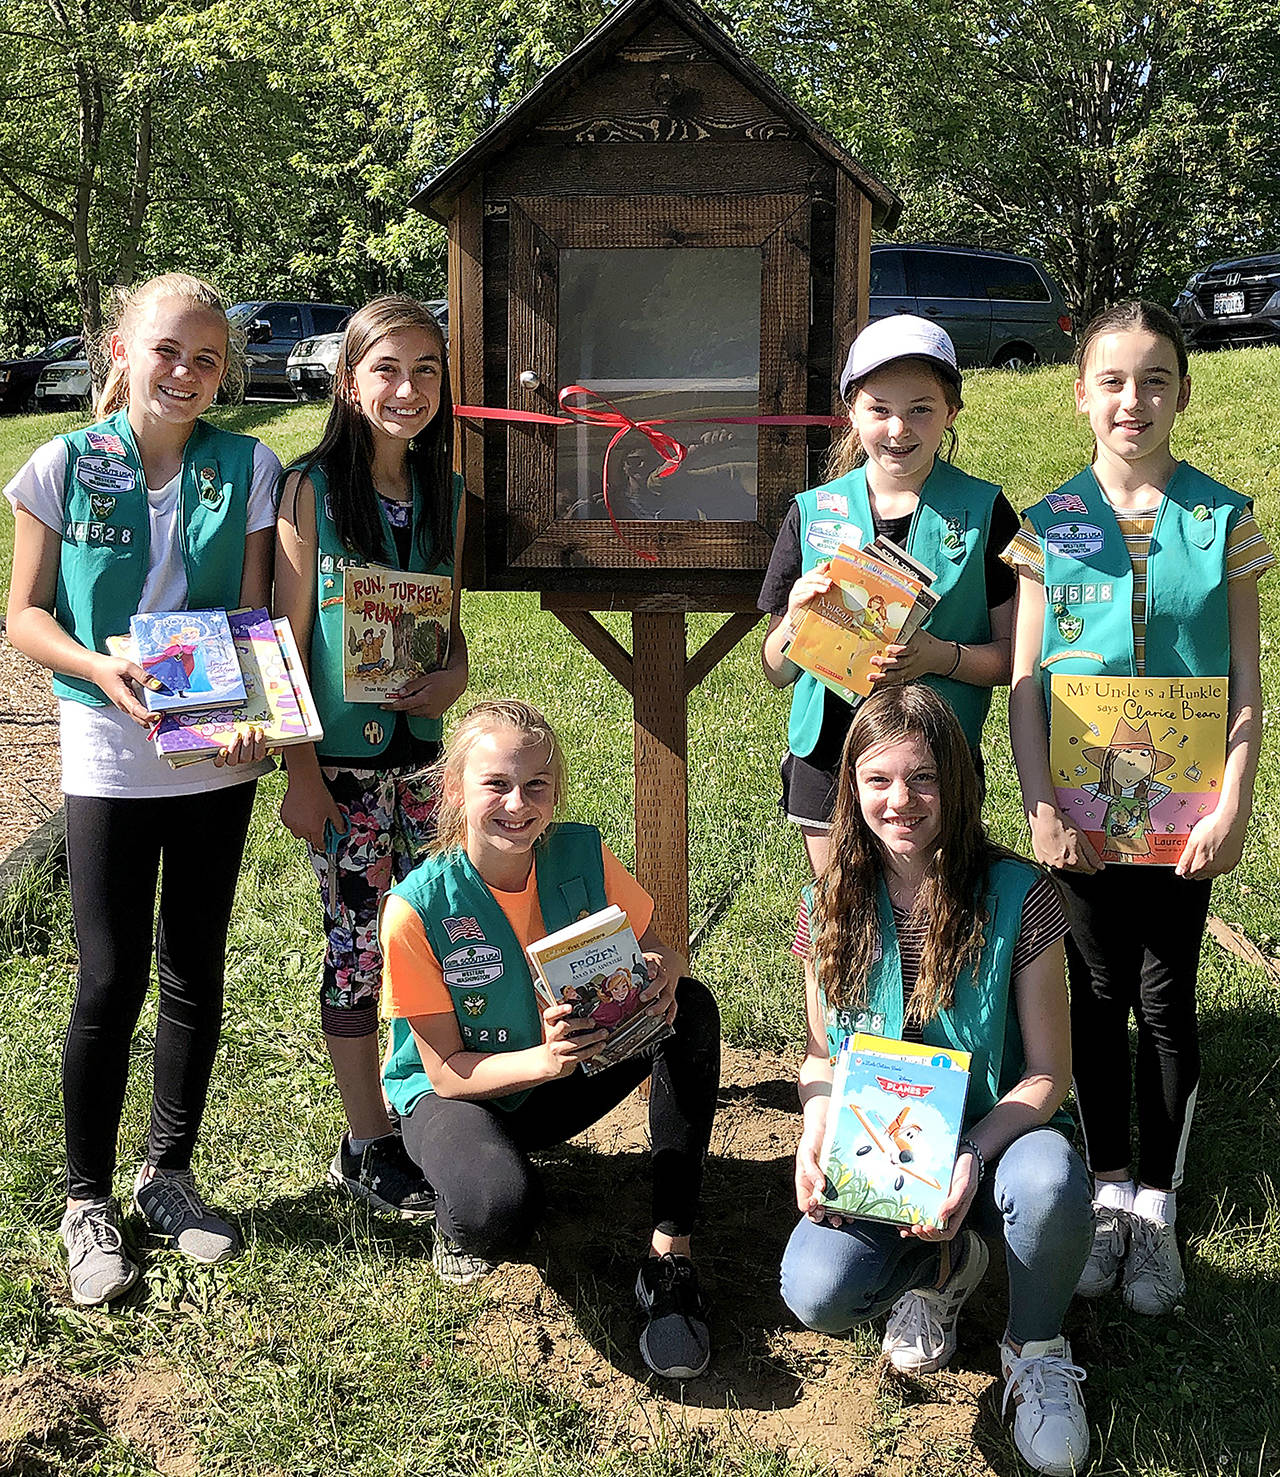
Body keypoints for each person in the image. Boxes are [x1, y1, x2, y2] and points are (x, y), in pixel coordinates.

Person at [5, 272, 280, 1305]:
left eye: (208, 359)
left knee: (194, 966)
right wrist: (98, 669)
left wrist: (263, 711)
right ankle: (86, 1200)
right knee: (109, 974)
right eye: (169, 349)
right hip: (110, 749)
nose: (187, 372)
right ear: (120, 347)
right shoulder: (61, 465)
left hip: (215, 750)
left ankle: (167, 1173)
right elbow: (25, 615)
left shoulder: (245, 467)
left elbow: (253, 615)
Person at [1006, 300, 1270, 1316]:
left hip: (1180, 821)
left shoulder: (1219, 518)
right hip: (1077, 817)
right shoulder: (1050, 525)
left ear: (1181, 393)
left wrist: (1234, 801)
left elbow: (1244, 678)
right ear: (1078, 394)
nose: (1132, 399)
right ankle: (1104, 1187)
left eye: (1152, 379)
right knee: (1092, 993)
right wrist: (1037, 801)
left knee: (1163, 1000)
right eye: (1111, 380)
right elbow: (1026, 681)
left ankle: (1153, 1210)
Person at [780, 685, 1093, 1476]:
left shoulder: (1020, 895)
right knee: (816, 1289)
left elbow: (1050, 1075)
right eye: (878, 779)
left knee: (1052, 1182)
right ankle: (945, 1269)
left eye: (923, 778)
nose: (901, 800)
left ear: (958, 783)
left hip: (997, 1137)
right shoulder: (829, 900)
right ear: (850, 788)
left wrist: (972, 1156)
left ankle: (1036, 1348)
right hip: (881, 1154)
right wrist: (815, 1129)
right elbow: (821, 1056)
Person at [379, 699, 722, 1381]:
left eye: (536, 784)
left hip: (566, 1066)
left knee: (693, 1009)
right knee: (498, 1209)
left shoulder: (580, 851)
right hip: (460, 1096)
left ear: (555, 791)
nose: (517, 802)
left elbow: (659, 947)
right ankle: (460, 1190)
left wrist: (660, 974)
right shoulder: (416, 908)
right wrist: (546, 1056)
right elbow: (445, 1071)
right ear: (453, 790)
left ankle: (670, 1249)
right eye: (495, 783)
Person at [274, 296, 468, 1218]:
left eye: (426, 368)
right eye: (387, 369)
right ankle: (364, 1138)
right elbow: (282, 642)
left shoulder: (448, 493)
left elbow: (453, 632)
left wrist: (450, 680)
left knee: (427, 934)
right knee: (355, 947)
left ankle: (430, 1104)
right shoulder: (311, 489)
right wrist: (299, 769)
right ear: (349, 382)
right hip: (343, 771)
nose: (408, 388)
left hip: (425, 765)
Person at [759, 315, 1019, 874]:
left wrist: (937, 656)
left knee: (937, 918)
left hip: (933, 766)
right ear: (851, 412)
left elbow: (1012, 660)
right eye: (880, 409)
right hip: (828, 760)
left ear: (952, 412)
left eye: (921, 408)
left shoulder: (985, 512)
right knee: (838, 922)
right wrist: (794, 622)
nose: (899, 427)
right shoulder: (811, 513)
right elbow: (777, 670)